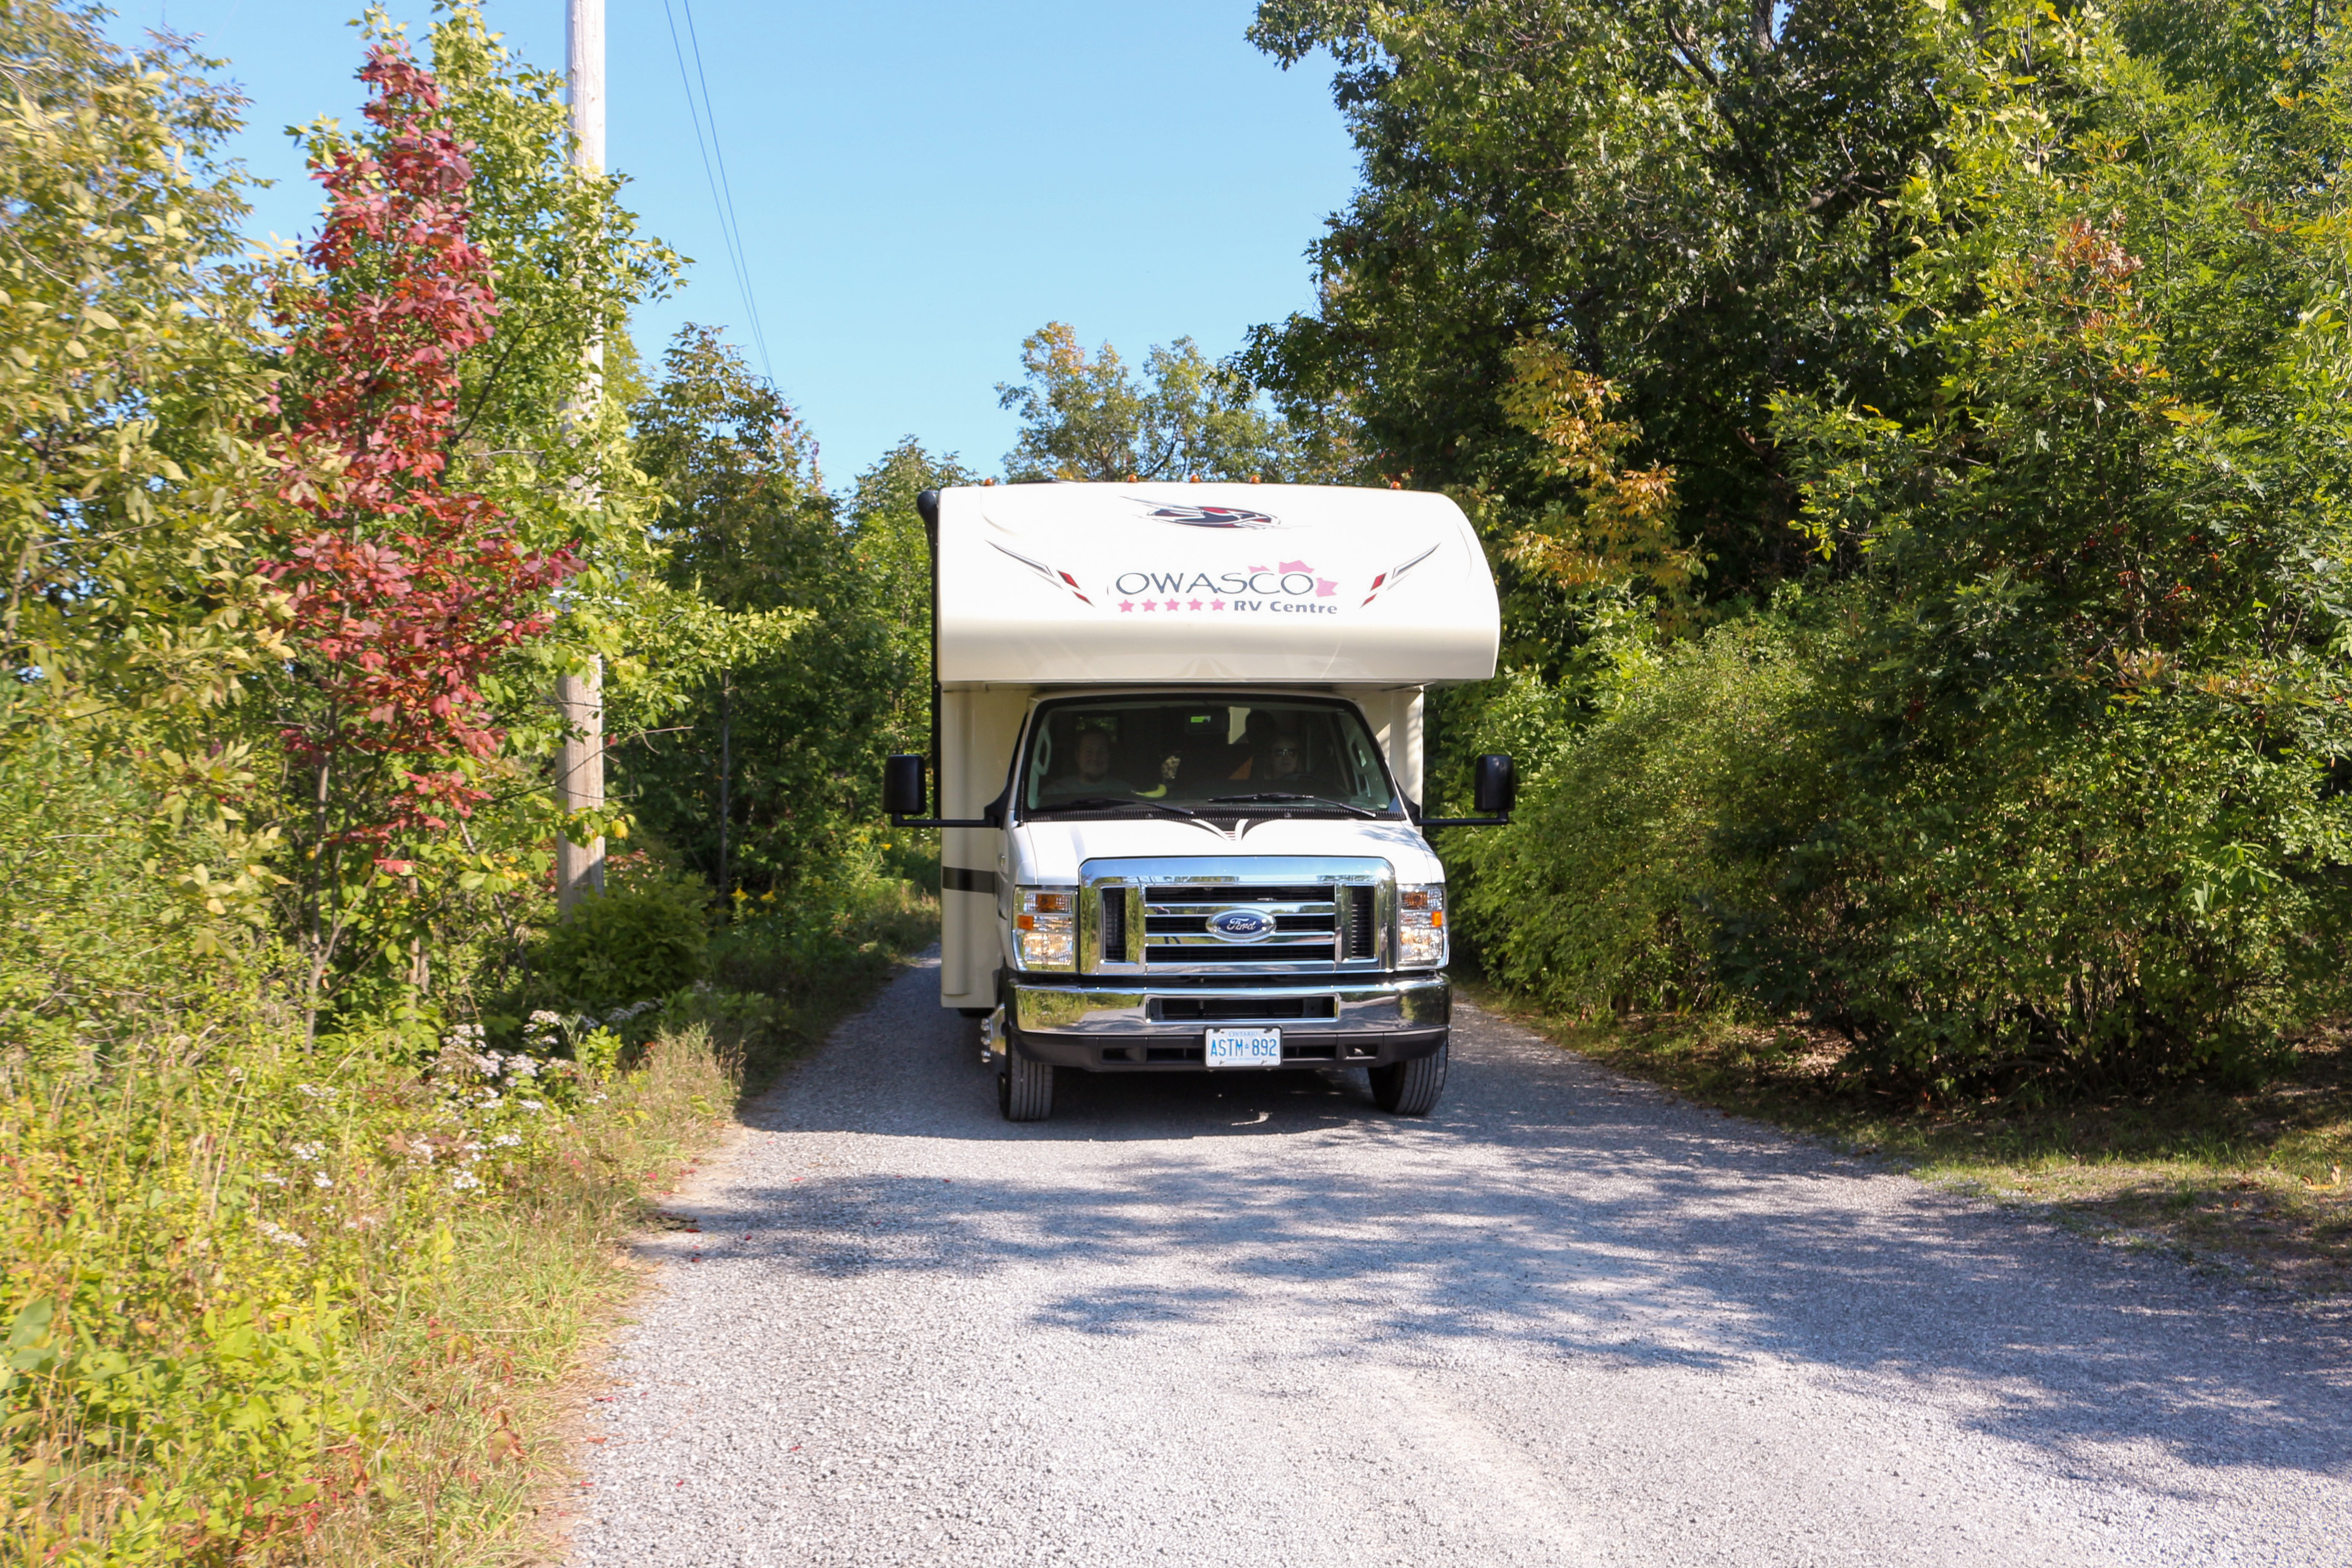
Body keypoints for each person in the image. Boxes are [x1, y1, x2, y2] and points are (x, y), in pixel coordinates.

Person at [1041, 727, 1134, 799]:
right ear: (1078, 756)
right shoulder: (1055, 792)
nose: (1095, 758)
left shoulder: (1127, 792)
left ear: (1110, 756)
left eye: (1102, 752)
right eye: (1089, 752)